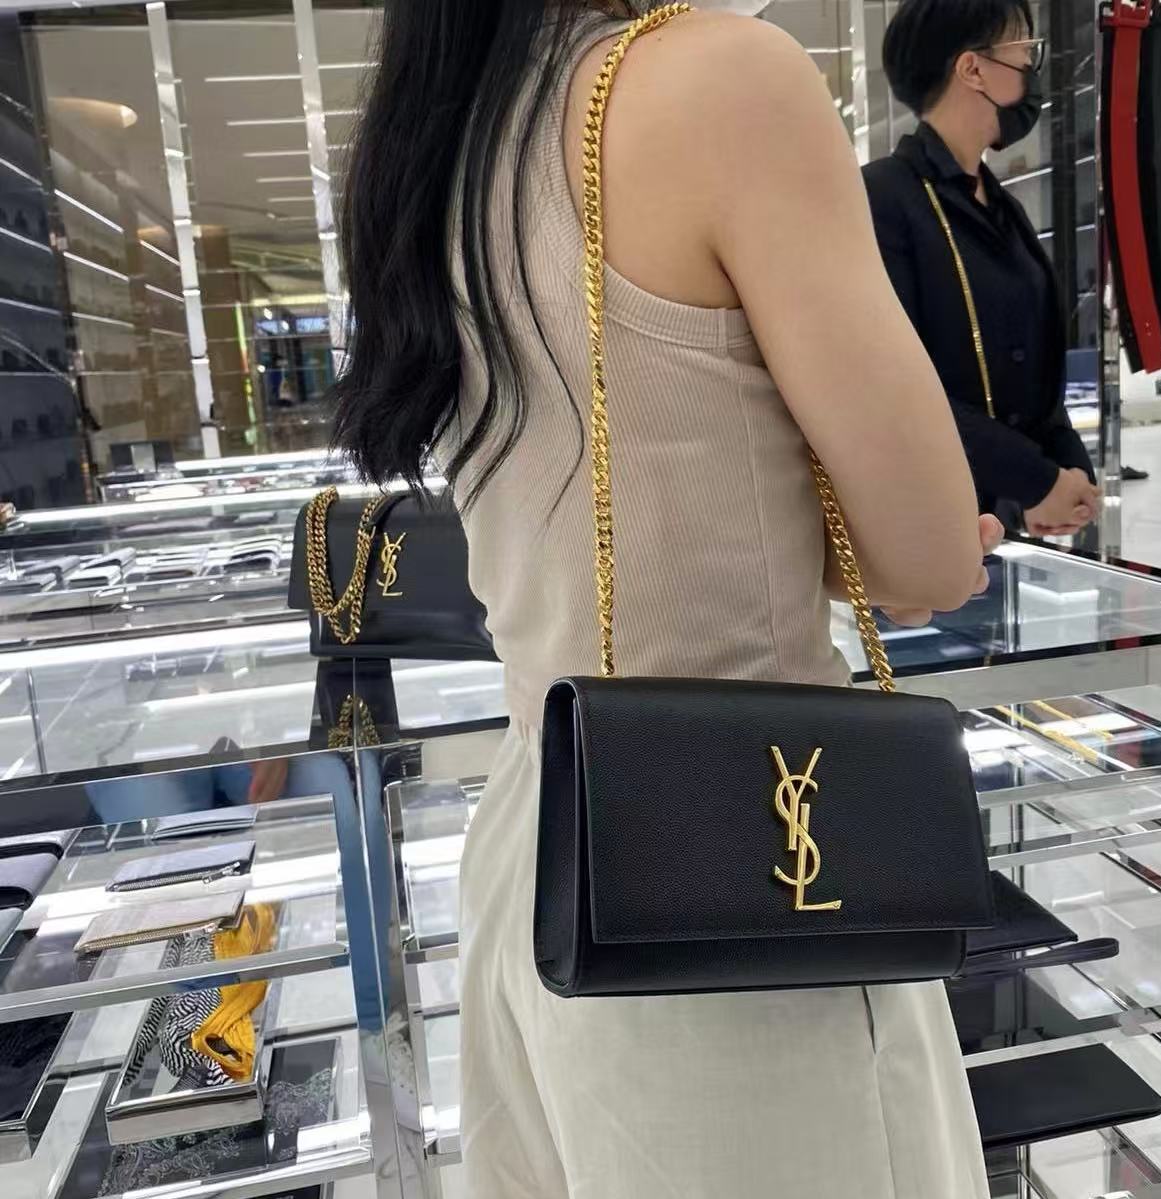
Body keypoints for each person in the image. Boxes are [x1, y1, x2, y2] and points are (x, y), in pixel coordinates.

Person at [331, 2, 1001, 1194]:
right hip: (753, 853)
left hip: (543, 834)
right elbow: (930, 559)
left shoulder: (451, 132)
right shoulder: (715, 79)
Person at [863, 0, 1103, 538]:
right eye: (1025, 52)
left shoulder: (1004, 208)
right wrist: (1035, 479)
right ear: (973, 68)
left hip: (1001, 530)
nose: (1032, 69)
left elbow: (1034, 372)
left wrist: (1067, 472)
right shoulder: (882, 199)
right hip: (925, 528)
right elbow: (894, 388)